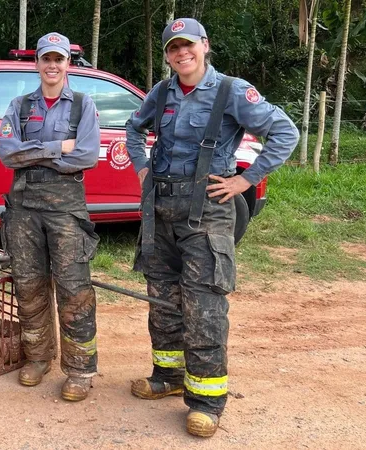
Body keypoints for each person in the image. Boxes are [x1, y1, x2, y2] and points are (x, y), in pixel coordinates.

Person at [125, 18, 298, 437]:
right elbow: (134, 128)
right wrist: (143, 168)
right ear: (168, 55)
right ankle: (167, 377)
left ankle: (206, 401)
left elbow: (284, 132)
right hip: (161, 206)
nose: (181, 54)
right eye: (173, 48)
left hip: (208, 210)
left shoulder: (232, 91)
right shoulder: (162, 92)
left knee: (203, 304)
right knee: (162, 295)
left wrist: (244, 180)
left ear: (205, 46)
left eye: (188, 46)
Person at [0, 32, 101, 402]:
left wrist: (34, 152)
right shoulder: (20, 106)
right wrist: (58, 148)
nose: (53, 65)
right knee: (28, 285)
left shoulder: (82, 106)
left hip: (66, 209)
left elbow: (87, 155)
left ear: (67, 63)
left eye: (59, 59)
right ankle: (38, 358)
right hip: (23, 207)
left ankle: (79, 370)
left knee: (75, 289)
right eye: (46, 59)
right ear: (37, 63)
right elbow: (8, 155)